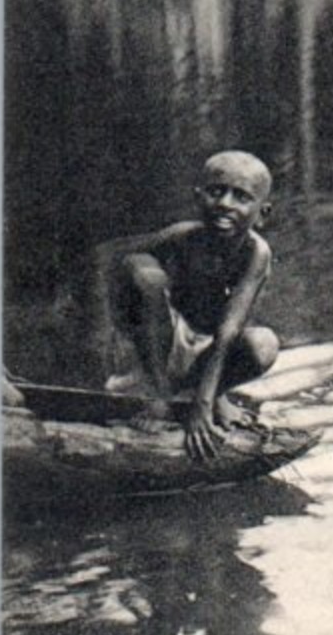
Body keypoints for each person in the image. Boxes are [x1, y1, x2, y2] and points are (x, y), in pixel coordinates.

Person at [101, 150, 279, 461]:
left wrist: (205, 402)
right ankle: (156, 393)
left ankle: (200, 396)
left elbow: (229, 330)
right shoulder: (181, 237)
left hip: (205, 350)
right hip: (160, 344)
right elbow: (115, 264)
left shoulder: (256, 253)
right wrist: (123, 341)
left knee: (264, 344)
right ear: (198, 198)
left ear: (262, 213)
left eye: (241, 197)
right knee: (142, 270)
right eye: (216, 191)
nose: (225, 203)